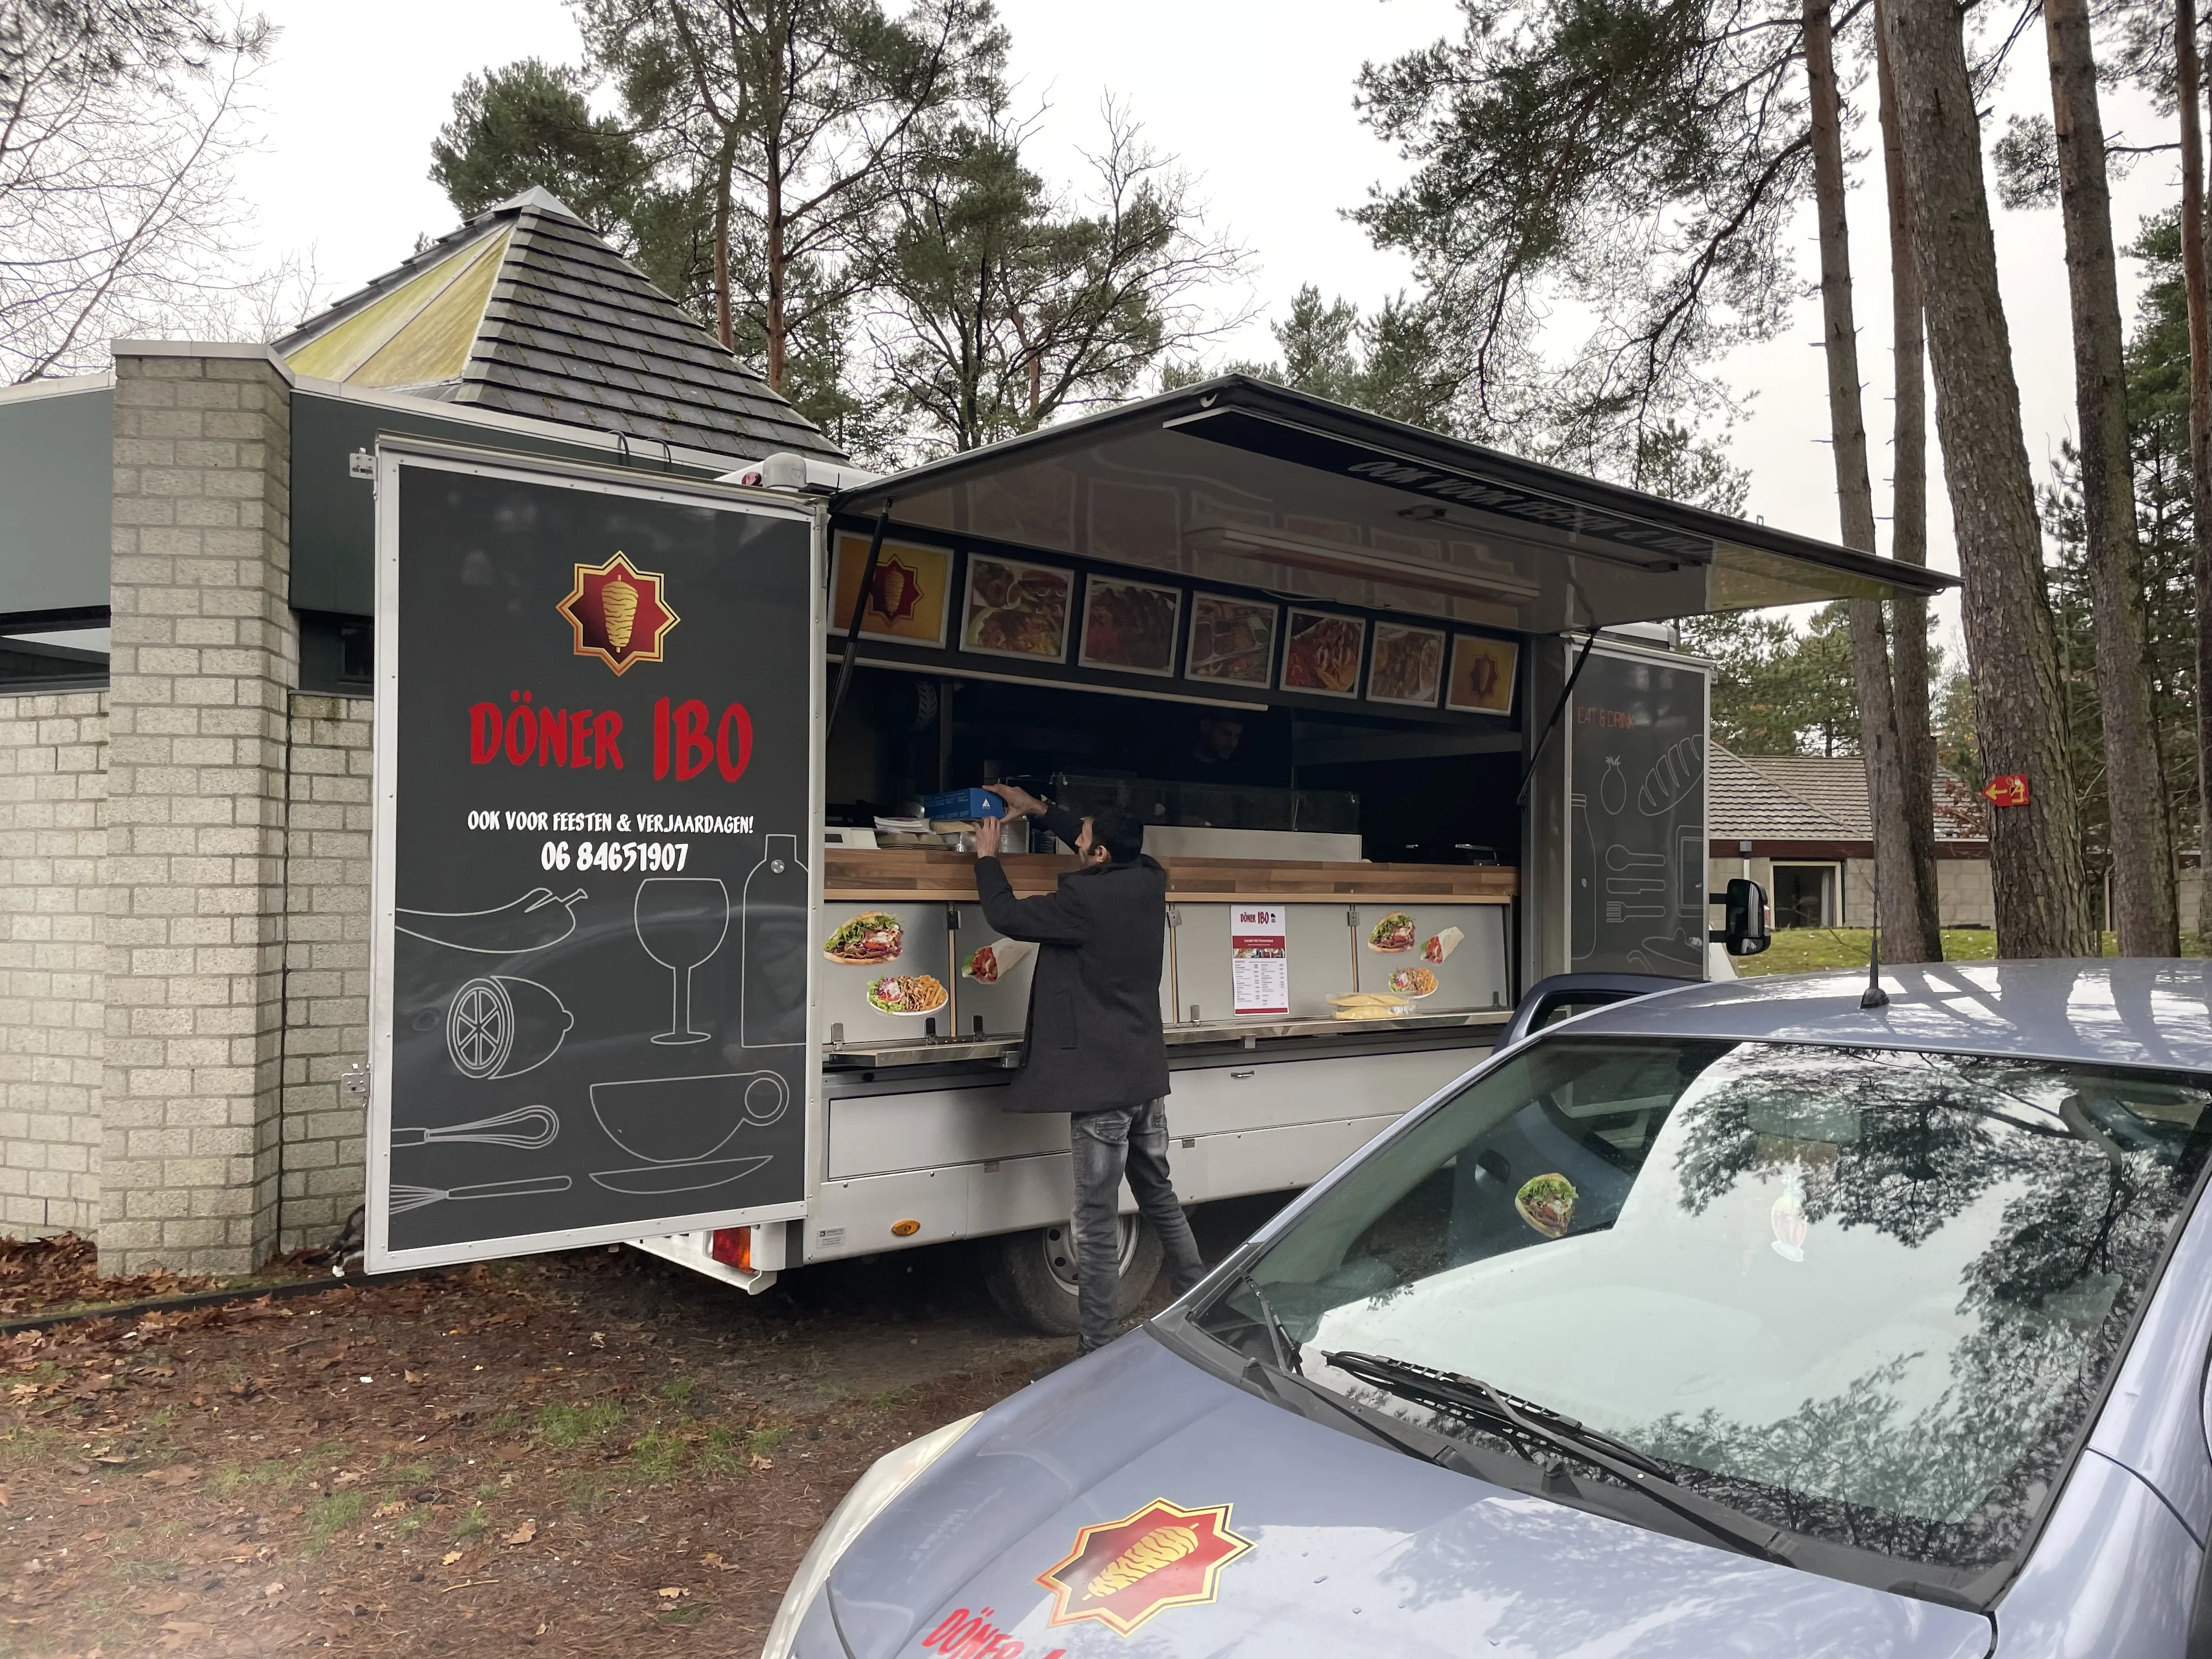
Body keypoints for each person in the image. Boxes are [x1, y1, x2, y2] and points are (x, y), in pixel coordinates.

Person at [973, 782, 1206, 1355]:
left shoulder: (1083, 904)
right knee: (1159, 1198)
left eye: (1081, 838)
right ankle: (1198, 1302)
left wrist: (987, 856)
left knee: (1096, 1223)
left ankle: (1097, 1348)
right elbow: (1098, 839)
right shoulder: (1150, 877)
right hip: (1144, 1076)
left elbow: (1005, 915)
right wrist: (1040, 810)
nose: (1076, 839)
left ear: (1098, 855)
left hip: (1102, 1089)